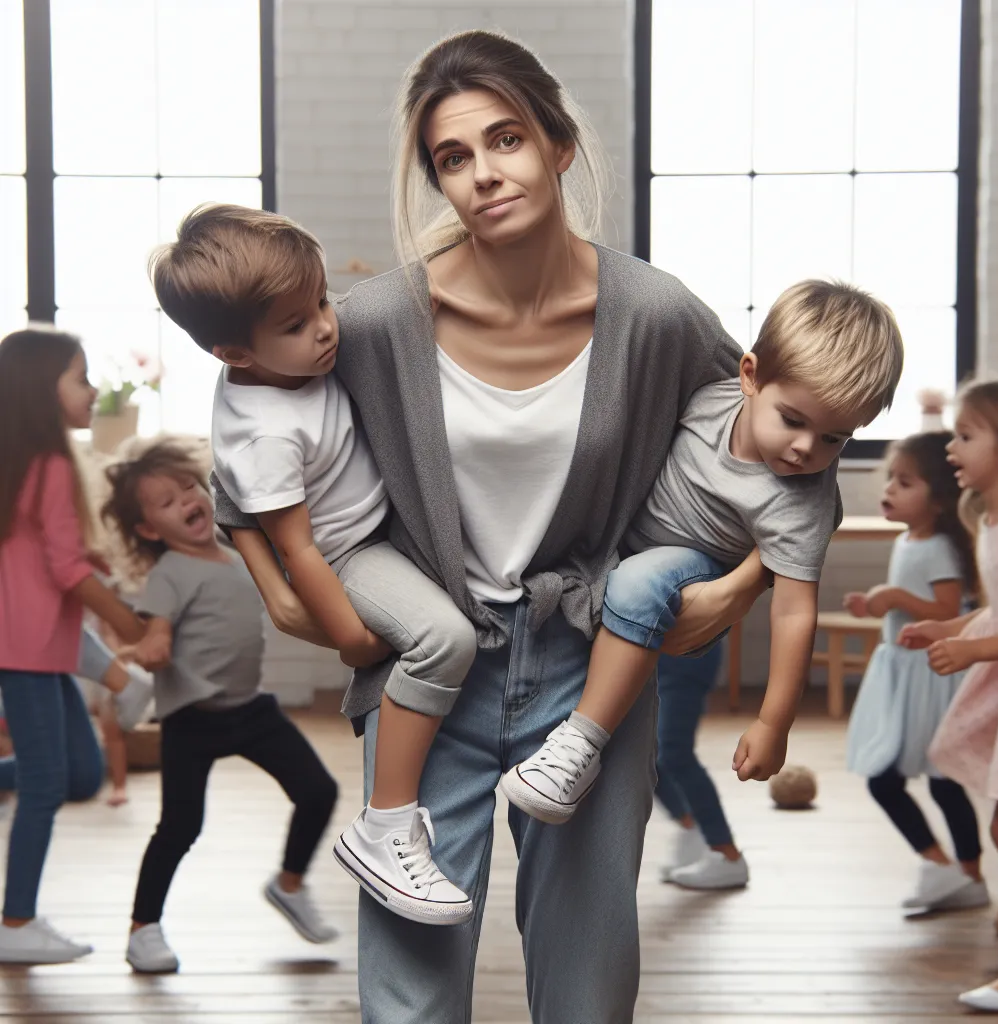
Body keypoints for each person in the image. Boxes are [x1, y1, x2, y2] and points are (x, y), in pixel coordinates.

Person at [214, 30, 771, 1023]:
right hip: (428, 668)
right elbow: (244, 446)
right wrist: (283, 594)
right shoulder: (375, 323)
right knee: (409, 992)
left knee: (588, 983)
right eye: (452, 158)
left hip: (591, 670)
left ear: (558, 143)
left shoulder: (654, 315)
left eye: (505, 140)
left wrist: (739, 587)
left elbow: (783, 443)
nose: (481, 175)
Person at [150, 204, 477, 925]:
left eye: (322, 302)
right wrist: (351, 642)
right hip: (347, 555)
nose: (326, 326)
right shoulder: (262, 432)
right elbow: (298, 549)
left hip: (376, 527)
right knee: (445, 641)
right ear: (235, 354)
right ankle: (385, 827)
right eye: (298, 324)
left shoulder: (285, 348)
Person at [502, 280, 904, 823]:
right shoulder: (707, 394)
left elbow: (793, 612)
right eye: (793, 420)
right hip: (616, 544)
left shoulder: (802, 502)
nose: (808, 448)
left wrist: (773, 722)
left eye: (836, 439)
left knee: (640, 583)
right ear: (750, 376)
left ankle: (580, 744)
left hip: (693, 572)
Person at [101, 441, 339, 974]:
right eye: (165, 500)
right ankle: (143, 930)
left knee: (318, 791)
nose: (186, 498)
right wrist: (152, 647)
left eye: (187, 486)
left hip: (251, 712)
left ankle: (289, 884)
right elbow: (156, 633)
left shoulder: (236, 555)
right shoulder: (170, 574)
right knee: (180, 827)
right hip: (193, 721)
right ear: (148, 530)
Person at [0, 326, 146, 964]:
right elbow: (62, 570)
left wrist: (85, 558)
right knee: (43, 783)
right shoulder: (51, 461)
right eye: (81, 378)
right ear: (43, 389)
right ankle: (15, 923)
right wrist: (134, 624)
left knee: (82, 775)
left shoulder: (27, 461)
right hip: (25, 647)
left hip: (40, 646)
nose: (93, 392)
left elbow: (40, 550)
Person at [904, 380, 998, 1012]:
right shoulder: (991, 519)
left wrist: (973, 651)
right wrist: (953, 629)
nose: (950, 445)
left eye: (966, 434)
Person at [845, 432, 985, 914]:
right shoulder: (910, 539)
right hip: (904, 673)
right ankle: (951, 870)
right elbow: (909, 605)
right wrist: (875, 605)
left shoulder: (939, 548)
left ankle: (962, 874)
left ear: (940, 499)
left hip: (930, 677)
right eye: (890, 479)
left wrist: (896, 598)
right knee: (917, 779)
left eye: (905, 482)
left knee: (931, 779)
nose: (889, 489)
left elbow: (946, 608)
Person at [655, 645, 750, 889]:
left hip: (685, 653)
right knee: (647, 755)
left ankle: (727, 854)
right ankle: (692, 827)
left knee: (675, 752)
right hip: (652, 653)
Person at [75, 625, 155, 806]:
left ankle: (119, 786)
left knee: (112, 731)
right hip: (81, 664)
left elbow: (109, 633)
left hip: (101, 664)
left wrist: (114, 662)